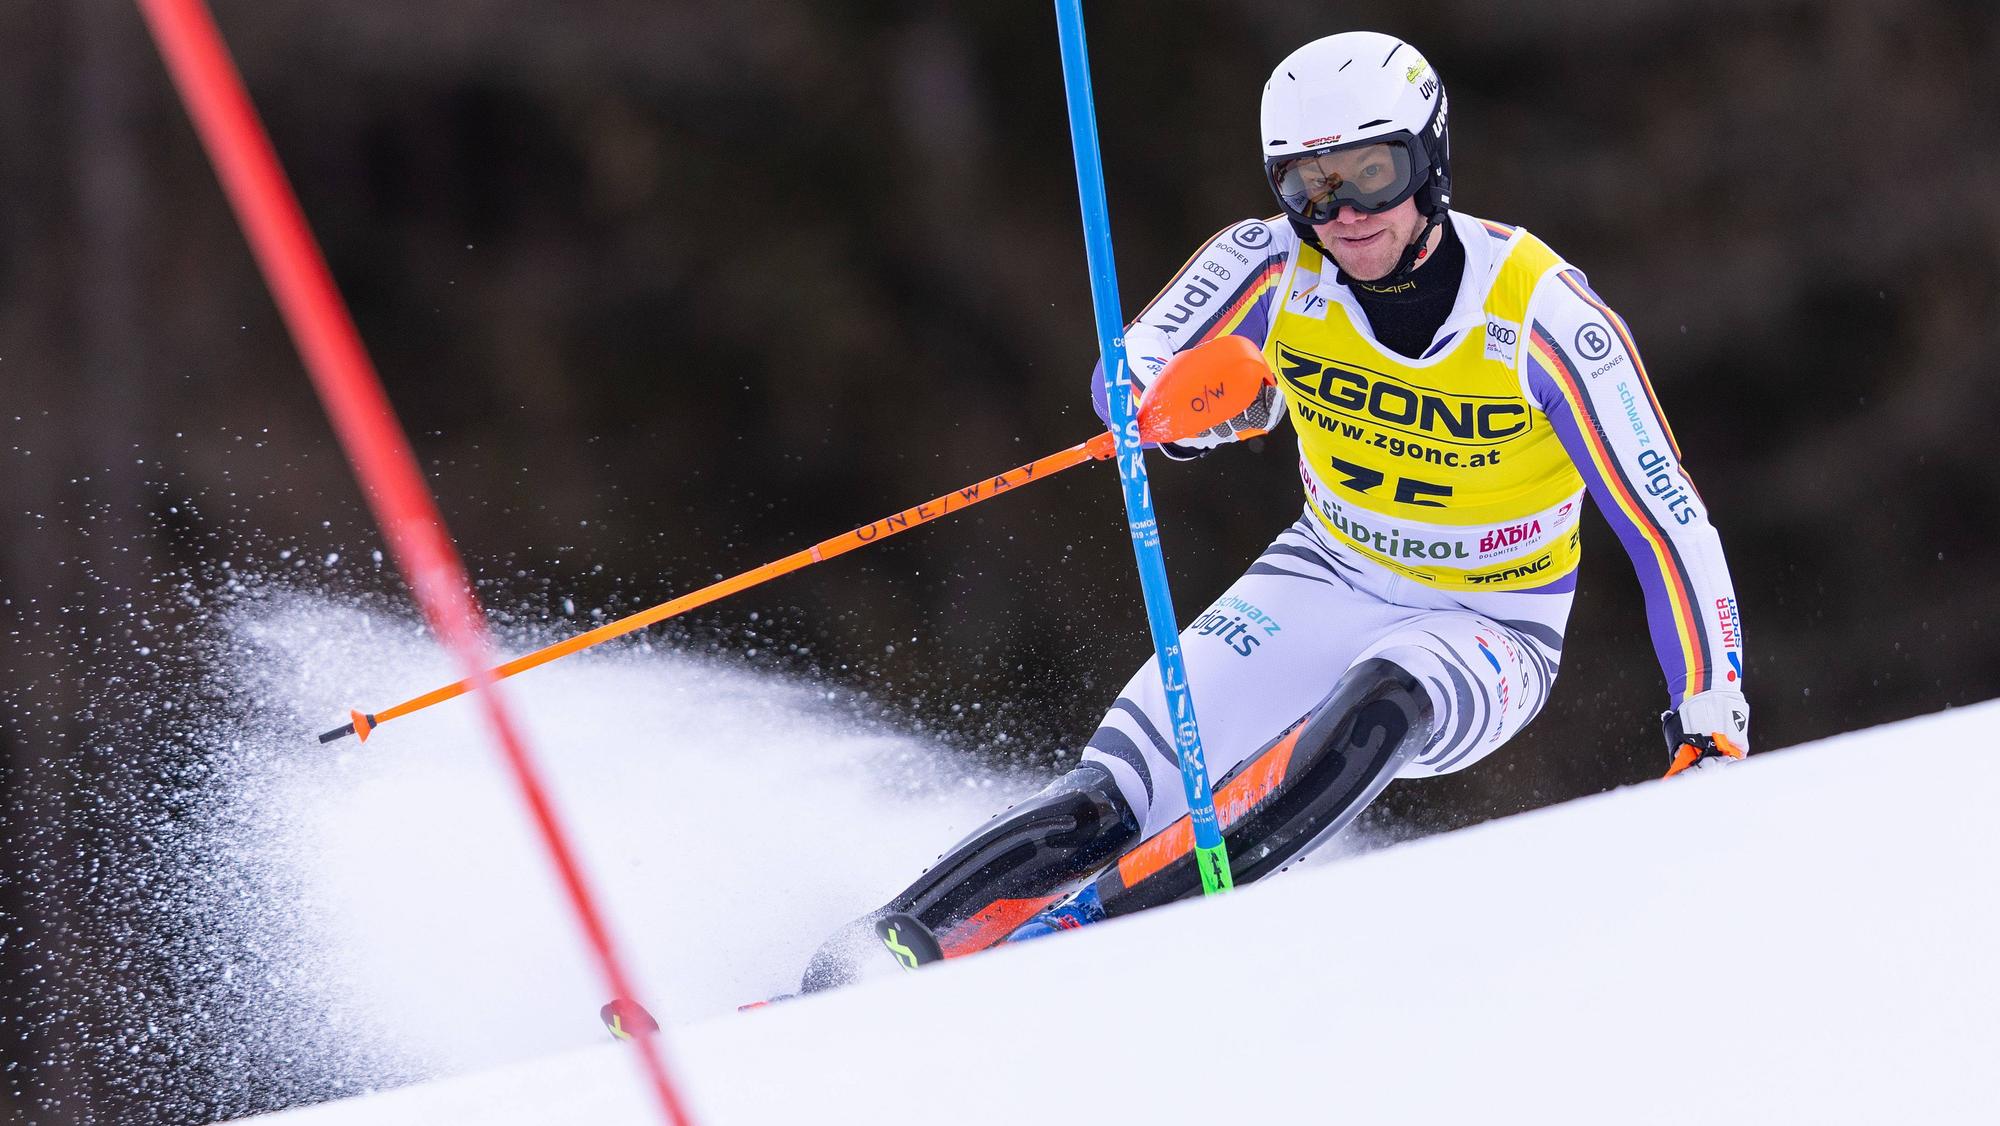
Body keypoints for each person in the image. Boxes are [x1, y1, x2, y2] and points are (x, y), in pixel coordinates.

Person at [802, 29, 1748, 987]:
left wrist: (1709, 718)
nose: (1343, 214)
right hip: (1323, 574)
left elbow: (1665, 521)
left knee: (1383, 701)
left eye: (1372, 174)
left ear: (1430, 158)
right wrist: (1168, 412)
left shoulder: (1543, 316)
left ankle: (1086, 940)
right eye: (1308, 184)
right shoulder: (1266, 265)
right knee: (1111, 798)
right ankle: (869, 956)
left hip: (1489, 619)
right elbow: (1128, 371)